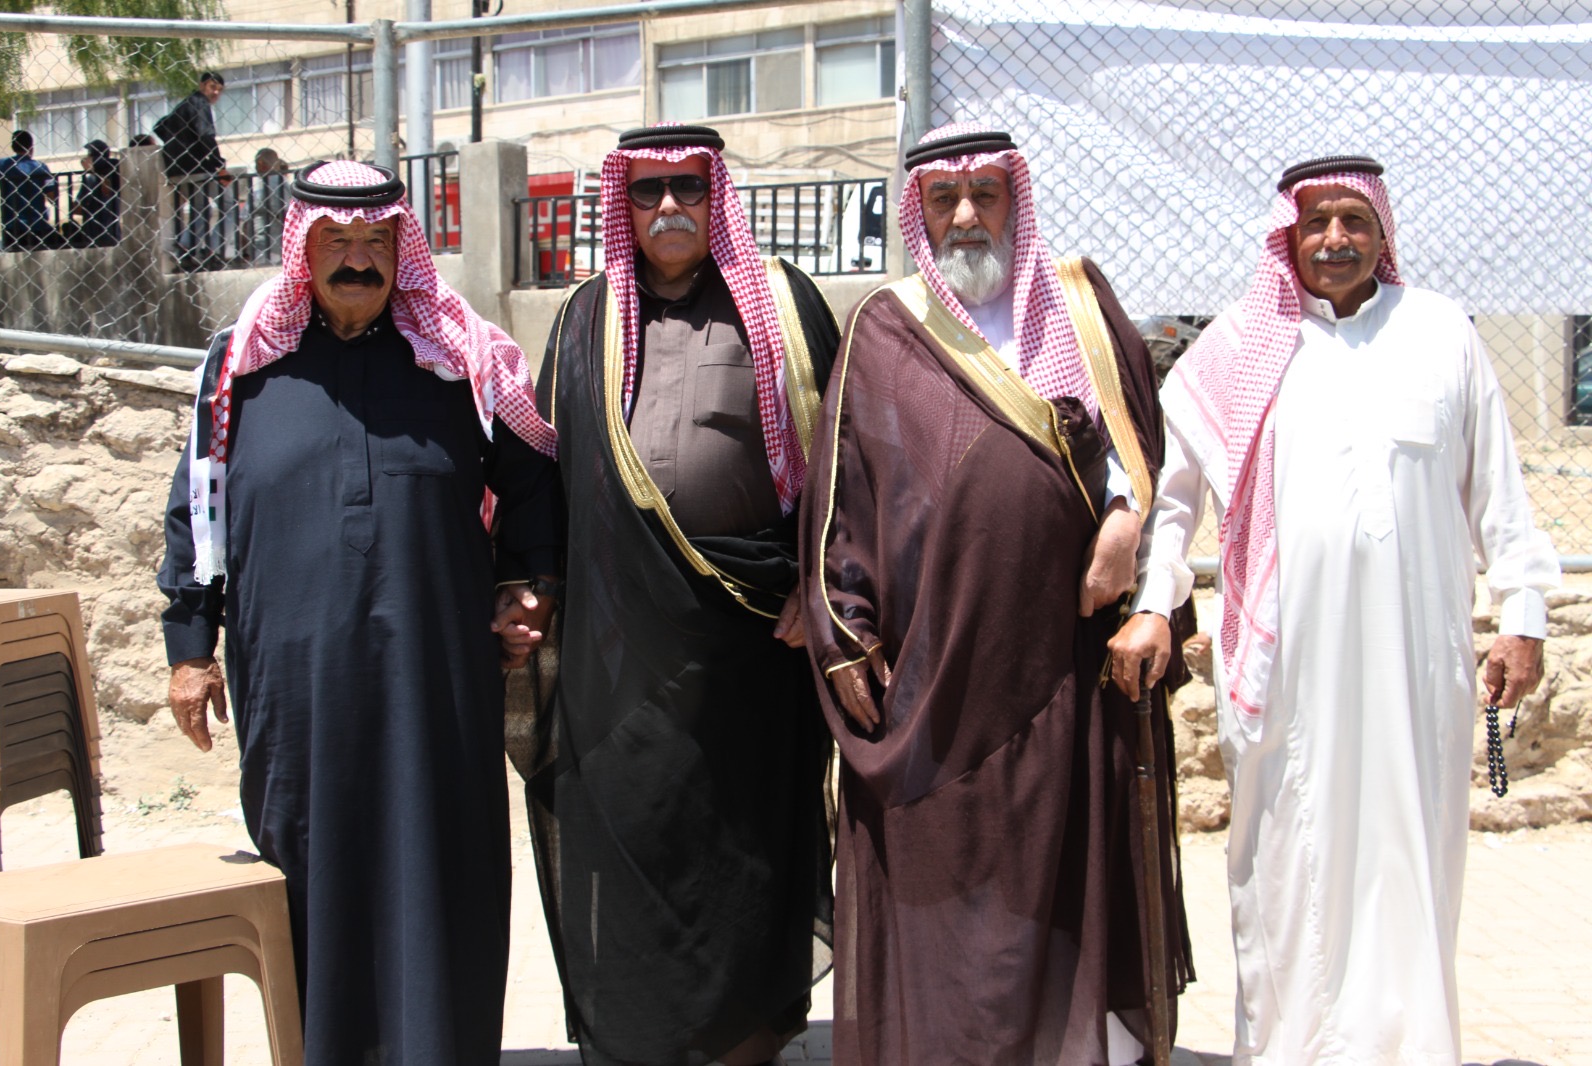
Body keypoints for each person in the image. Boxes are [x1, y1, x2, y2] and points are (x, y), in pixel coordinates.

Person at [1109, 155, 1561, 1064]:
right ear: (1288, 234)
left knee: (1412, 854)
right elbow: (1173, 500)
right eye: (1314, 222)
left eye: (1353, 220)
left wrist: (1523, 612)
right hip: (1287, 669)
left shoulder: (1441, 333)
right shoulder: (1239, 346)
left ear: (1382, 230)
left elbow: (1497, 491)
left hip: (1417, 659)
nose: (1333, 239)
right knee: (1289, 860)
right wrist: (1156, 603)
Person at [800, 123, 1192, 1065]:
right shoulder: (885, 326)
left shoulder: (1079, 307)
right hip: (935, 666)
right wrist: (845, 635)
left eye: (986, 194)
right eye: (944, 198)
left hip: (1065, 662)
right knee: (947, 883)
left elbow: (1141, 449)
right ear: (919, 212)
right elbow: (841, 498)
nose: (966, 215)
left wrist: (1125, 522)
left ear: (1017, 199)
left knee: (1065, 877)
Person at [158, 159, 561, 1065]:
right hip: (295, 689)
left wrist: (521, 586)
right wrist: (190, 647)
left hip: (435, 684)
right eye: (335, 241)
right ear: (300, 250)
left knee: (440, 865)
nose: (357, 260)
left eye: (377, 242)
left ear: (401, 250)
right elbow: (198, 509)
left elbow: (535, 480)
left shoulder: (459, 359)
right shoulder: (242, 365)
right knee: (310, 866)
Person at [524, 124, 839, 1066]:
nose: (669, 207)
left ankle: (746, 1038)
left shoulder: (780, 304)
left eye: (689, 188)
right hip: (624, 643)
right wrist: (532, 587)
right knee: (635, 833)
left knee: (744, 842)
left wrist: (820, 584)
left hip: (757, 633)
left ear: (716, 198)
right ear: (621, 203)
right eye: (647, 190)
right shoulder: (585, 317)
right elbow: (544, 471)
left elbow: (846, 461)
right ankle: (642, 1040)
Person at [155, 71, 230, 268]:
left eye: (219, 90)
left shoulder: (184, 105)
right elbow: (206, 135)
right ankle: (206, 249)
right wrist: (219, 165)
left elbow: (160, 127)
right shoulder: (199, 103)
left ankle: (189, 248)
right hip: (196, 167)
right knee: (225, 204)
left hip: (177, 168)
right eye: (212, 87)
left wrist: (178, 146)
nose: (215, 93)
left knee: (201, 209)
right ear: (202, 85)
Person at [0, 130, 58, 250]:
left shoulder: (2, 165)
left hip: (12, 226)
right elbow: (52, 196)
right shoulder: (41, 167)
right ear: (31, 148)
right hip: (38, 225)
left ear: (13, 147)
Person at [68, 139, 120, 248]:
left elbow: (106, 192)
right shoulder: (92, 177)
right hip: (100, 230)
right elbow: (78, 207)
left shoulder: (97, 178)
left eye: (89, 155)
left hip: (101, 231)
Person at [247, 147, 289, 265]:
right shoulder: (280, 182)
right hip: (280, 243)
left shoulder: (260, 184)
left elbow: (245, 216)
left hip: (263, 242)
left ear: (261, 163)